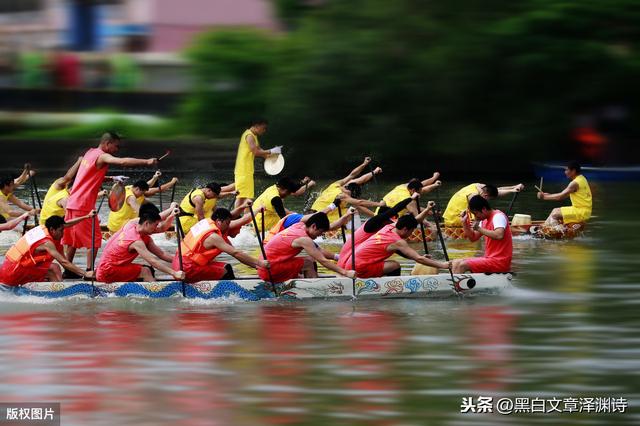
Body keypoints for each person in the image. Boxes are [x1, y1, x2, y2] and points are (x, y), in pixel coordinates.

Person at [63, 131, 158, 277]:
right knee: (94, 240)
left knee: (72, 240)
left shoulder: (90, 153)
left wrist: (113, 178)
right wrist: (146, 162)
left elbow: (91, 175)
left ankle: (68, 272)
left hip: (72, 202)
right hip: (83, 205)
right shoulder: (102, 155)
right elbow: (123, 162)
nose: (117, 150)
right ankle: (89, 272)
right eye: (116, 147)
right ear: (107, 144)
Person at [338, 193, 434, 269]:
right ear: (384, 218)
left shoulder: (384, 232)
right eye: (392, 219)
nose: (393, 223)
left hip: (355, 262)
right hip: (348, 261)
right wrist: (411, 198)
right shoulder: (373, 223)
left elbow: (399, 249)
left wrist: (417, 257)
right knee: (394, 266)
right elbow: (393, 210)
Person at [174, 207, 270, 282]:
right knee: (225, 271)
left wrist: (259, 267)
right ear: (219, 221)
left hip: (179, 264)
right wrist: (260, 262)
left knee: (226, 267)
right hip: (187, 268)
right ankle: (229, 293)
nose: (229, 226)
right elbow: (236, 253)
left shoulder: (207, 222)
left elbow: (239, 256)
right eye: (228, 223)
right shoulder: (213, 237)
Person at [96, 204, 184, 283]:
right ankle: (157, 295)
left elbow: (162, 254)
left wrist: (171, 212)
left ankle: (146, 286)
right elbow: (153, 261)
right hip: (106, 272)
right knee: (146, 271)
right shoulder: (136, 241)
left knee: (149, 269)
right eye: (156, 225)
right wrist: (174, 273)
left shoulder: (133, 223)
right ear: (146, 224)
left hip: (108, 267)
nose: (157, 228)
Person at [257, 212, 356, 283]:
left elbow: (320, 247)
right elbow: (323, 260)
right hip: (268, 270)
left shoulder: (299, 225)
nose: (319, 236)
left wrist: (346, 216)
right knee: (308, 262)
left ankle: (304, 279)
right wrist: (346, 272)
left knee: (307, 259)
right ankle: (314, 287)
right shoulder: (304, 239)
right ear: (313, 226)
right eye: (320, 232)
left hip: (264, 266)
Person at [0, 215, 96, 286]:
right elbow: (64, 262)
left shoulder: (43, 227)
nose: (63, 234)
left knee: (55, 267)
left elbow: (67, 224)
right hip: (13, 272)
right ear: (52, 230)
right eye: (61, 231)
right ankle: (58, 294)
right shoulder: (46, 242)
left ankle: (58, 286)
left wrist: (86, 216)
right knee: (52, 271)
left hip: (7, 268)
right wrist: (85, 273)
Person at [353, 214, 449, 278]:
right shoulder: (397, 241)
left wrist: (427, 209)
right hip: (361, 268)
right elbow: (419, 259)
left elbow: (414, 220)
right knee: (395, 265)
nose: (411, 234)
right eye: (411, 231)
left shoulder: (389, 227)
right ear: (405, 229)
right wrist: (443, 265)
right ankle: (394, 288)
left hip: (354, 263)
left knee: (391, 264)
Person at [452, 195, 512, 274]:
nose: (476, 217)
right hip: (490, 259)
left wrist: (479, 228)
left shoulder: (498, 216)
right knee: (455, 263)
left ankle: (456, 286)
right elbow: (473, 238)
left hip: (499, 262)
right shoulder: (484, 220)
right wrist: (464, 222)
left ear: (483, 209)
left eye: (476, 213)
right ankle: (455, 284)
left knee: (462, 265)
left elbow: (499, 235)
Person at [311, 157, 383, 219]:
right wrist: (379, 209)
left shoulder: (335, 185)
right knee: (353, 211)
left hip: (312, 212)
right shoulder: (343, 196)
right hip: (321, 216)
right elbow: (360, 203)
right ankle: (347, 232)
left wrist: (367, 166)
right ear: (349, 192)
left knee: (349, 208)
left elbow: (352, 175)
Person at [234, 118, 283, 209]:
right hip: (243, 170)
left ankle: (240, 217)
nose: (264, 131)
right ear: (256, 126)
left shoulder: (253, 136)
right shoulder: (249, 136)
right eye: (263, 128)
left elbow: (260, 150)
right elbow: (255, 152)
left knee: (244, 196)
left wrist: (270, 158)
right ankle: (241, 217)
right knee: (243, 197)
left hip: (246, 170)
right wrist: (272, 151)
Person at [107, 172, 178, 233]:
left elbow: (147, 185)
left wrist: (155, 177)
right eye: (142, 193)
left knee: (150, 208)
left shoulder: (131, 187)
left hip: (115, 223)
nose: (143, 194)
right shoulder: (131, 198)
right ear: (137, 189)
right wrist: (172, 182)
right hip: (118, 227)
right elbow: (141, 213)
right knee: (156, 225)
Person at [442, 182, 524, 227]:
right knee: (483, 216)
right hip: (453, 219)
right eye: (489, 199)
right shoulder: (473, 196)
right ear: (485, 196)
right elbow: (480, 214)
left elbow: (497, 190)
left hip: (450, 216)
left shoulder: (477, 186)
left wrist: (514, 188)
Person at [537, 161, 592, 226]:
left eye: (567, 170)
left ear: (573, 171)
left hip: (581, 212)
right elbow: (563, 195)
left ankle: (555, 232)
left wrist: (544, 197)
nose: (565, 172)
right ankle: (545, 226)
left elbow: (560, 197)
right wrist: (548, 195)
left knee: (554, 215)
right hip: (583, 211)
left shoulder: (574, 183)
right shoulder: (582, 178)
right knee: (555, 210)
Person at [376, 173, 441, 217]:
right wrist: (433, 216)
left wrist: (434, 181)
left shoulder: (403, 186)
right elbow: (417, 214)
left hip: (377, 214)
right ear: (413, 190)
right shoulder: (408, 199)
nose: (420, 194)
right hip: (385, 220)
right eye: (418, 193)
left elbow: (421, 185)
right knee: (412, 215)